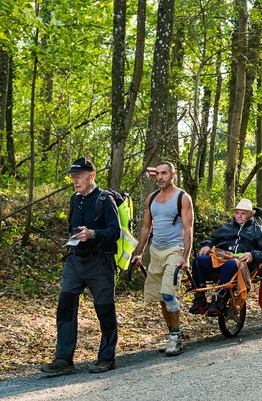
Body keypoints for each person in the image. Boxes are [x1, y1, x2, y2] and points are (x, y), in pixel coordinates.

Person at [40, 157, 121, 375]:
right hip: (75, 261)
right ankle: (64, 359)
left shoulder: (104, 200)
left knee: (104, 310)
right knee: (65, 305)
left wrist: (93, 233)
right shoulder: (74, 199)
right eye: (73, 177)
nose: (75, 180)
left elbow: (116, 232)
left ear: (91, 176)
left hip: (100, 264)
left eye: (79, 177)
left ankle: (106, 358)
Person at [131, 162, 194, 356]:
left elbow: (187, 228)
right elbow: (145, 228)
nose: (160, 177)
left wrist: (186, 256)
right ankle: (172, 334)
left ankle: (176, 339)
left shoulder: (182, 198)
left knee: (168, 294)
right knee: (160, 296)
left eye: (164, 173)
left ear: (172, 175)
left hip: (174, 249)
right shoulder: (151, 199)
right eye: (158, 174)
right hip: (156, 250)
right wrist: (139, 252)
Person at [190, 199, 262, 315]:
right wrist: (207, 245)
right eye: (237, 213)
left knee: (231, 263)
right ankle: (200, 299)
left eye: (243, 213)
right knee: (199, 261)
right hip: (220, 258)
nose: (239, 216)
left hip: (243, 263)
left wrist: (252, 254)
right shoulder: (226, 227)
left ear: (250, 215)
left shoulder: (259, 231)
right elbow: (212, 239)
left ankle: (219, 301)